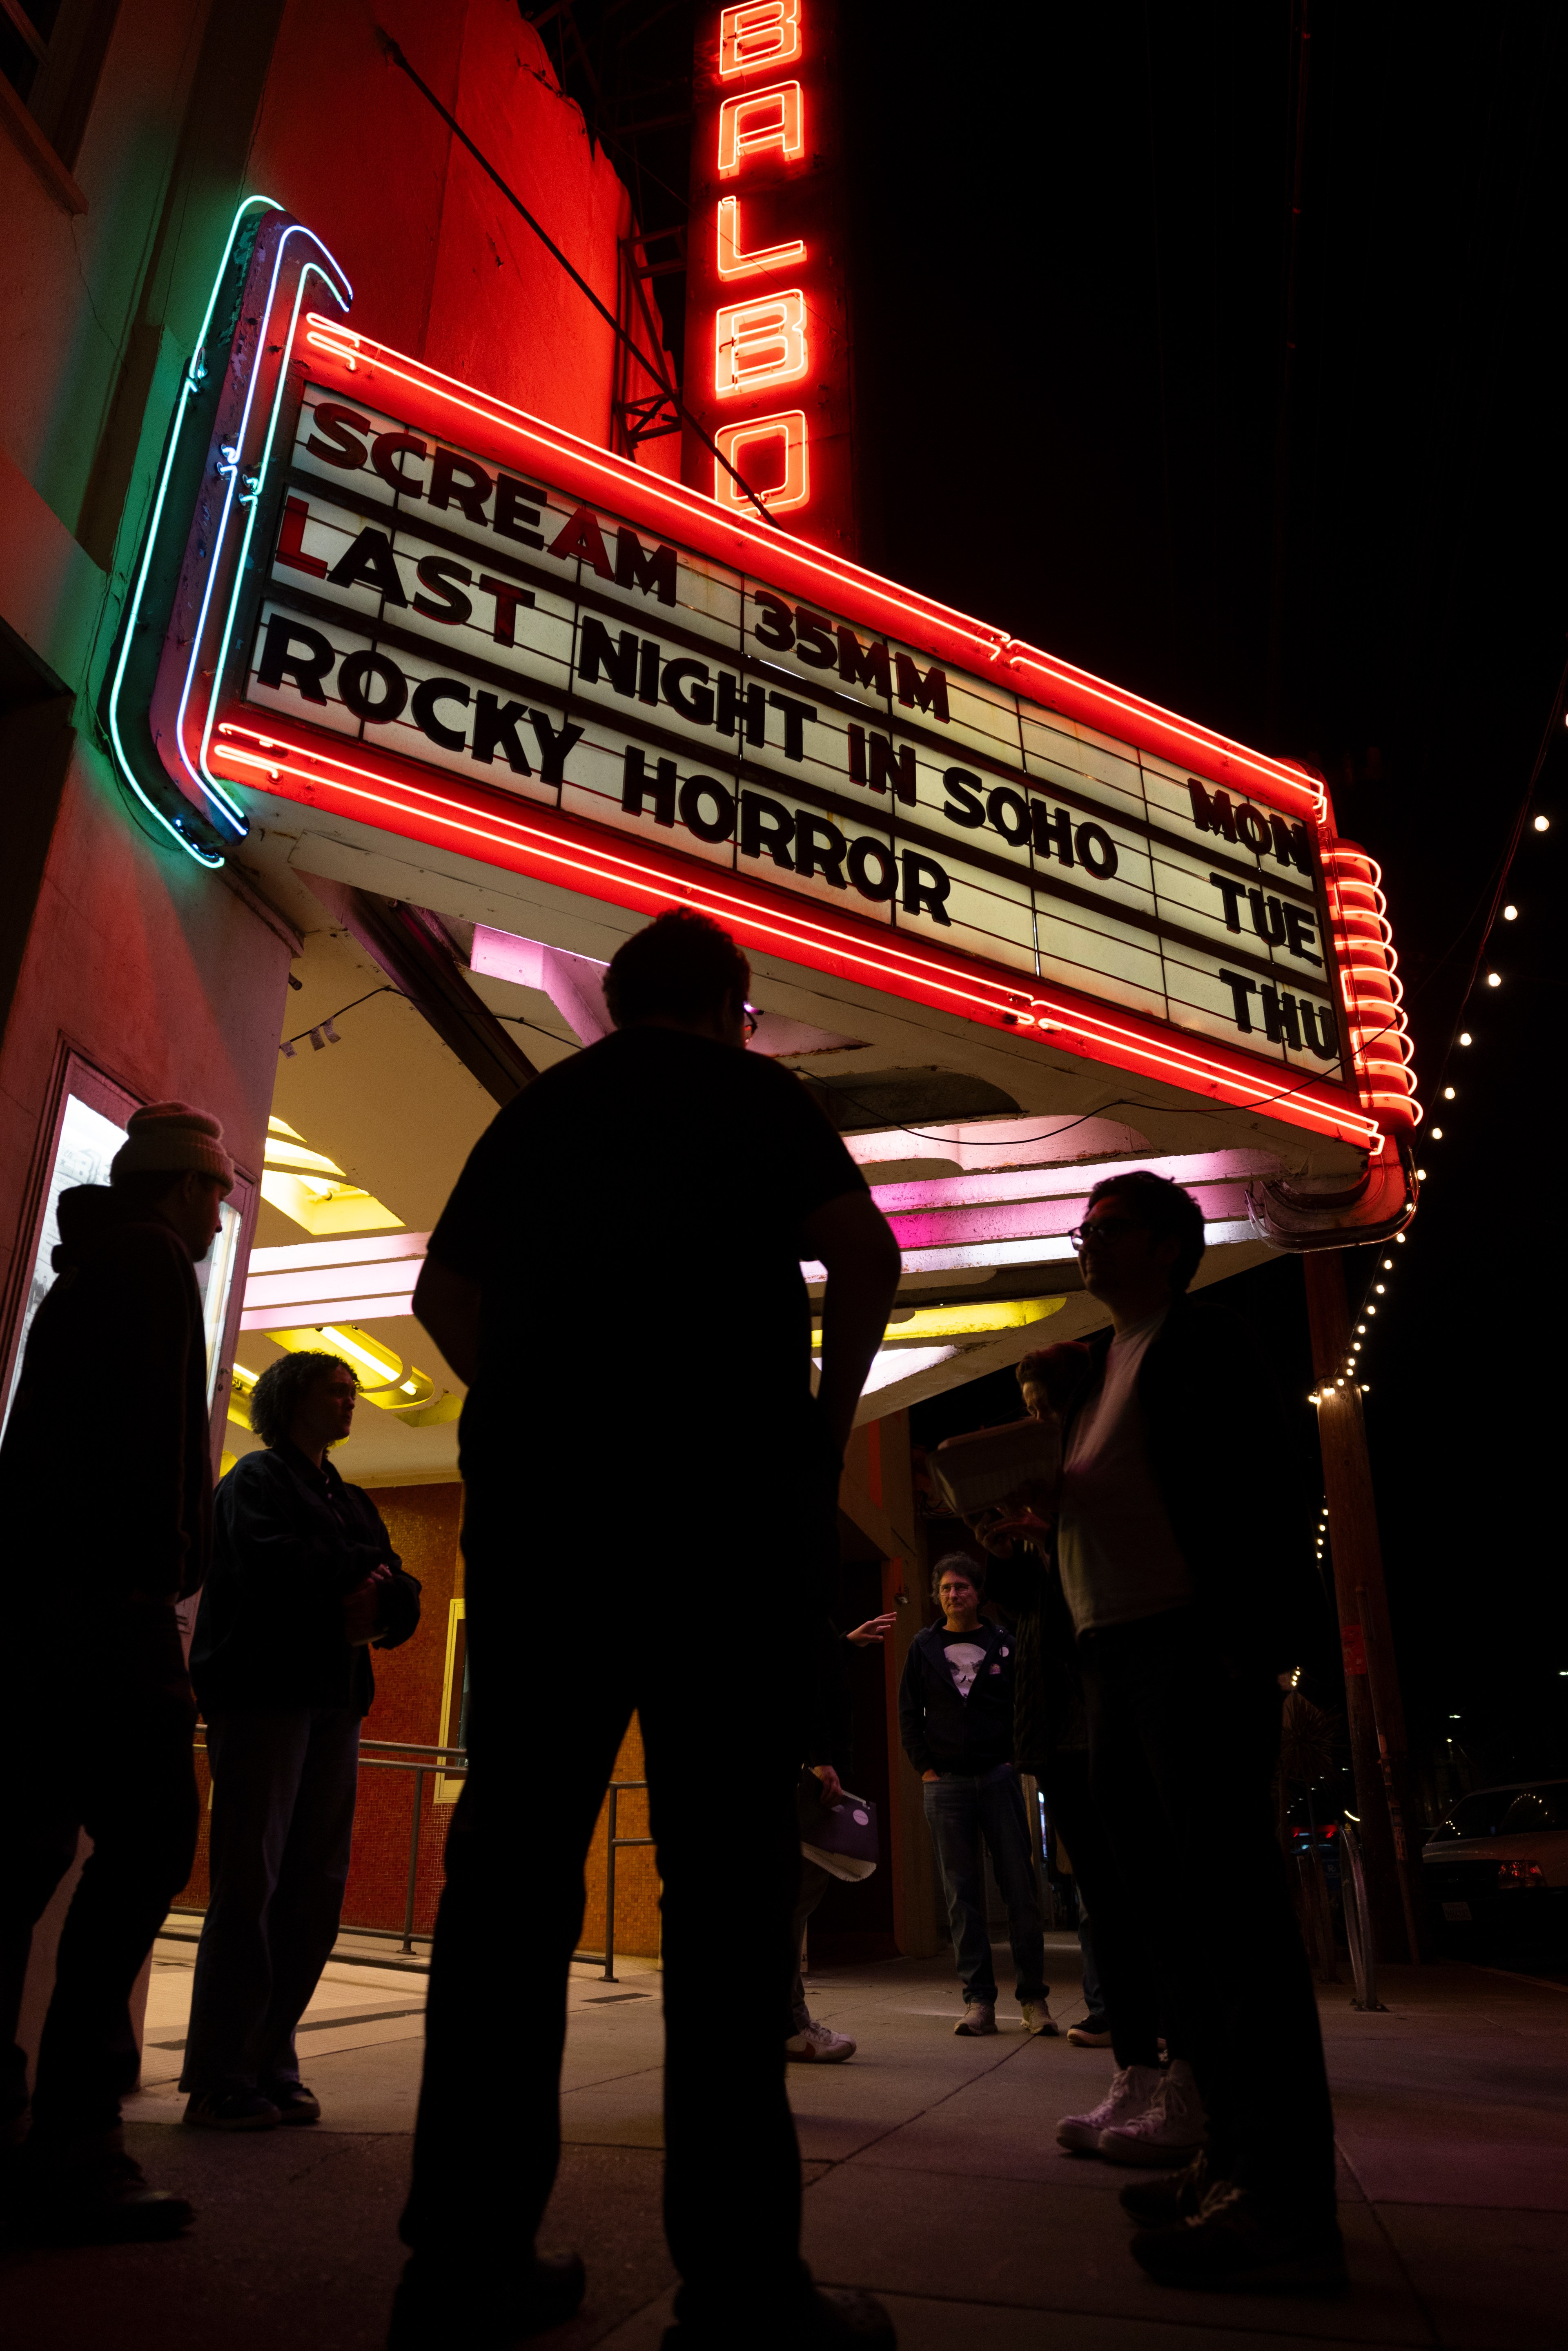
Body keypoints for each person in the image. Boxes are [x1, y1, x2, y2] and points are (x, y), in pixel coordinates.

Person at [393, 909, 904, 2351]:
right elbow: (864, 1261)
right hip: (719, 1530)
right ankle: (741, 2288)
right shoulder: (756, 1095)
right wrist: (820, 1428)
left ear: (615, 1002)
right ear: (734, 1005)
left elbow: (442, 1292)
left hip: (551, 1533)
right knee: (729, 1895)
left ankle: (462, 2265)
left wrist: (539, 1403)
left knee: (508, 1886)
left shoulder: (545, 1109)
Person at [1049, 1172, 1339, 2288]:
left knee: (1236, 1927)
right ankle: (1225, 2156)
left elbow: (1266, 1490)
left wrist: (1248, 1645)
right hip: (1114, 1661)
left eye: (1107, 1229)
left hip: (1189, 1656)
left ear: (1170, 1245)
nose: (1087, 1245)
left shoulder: (1203, 1341)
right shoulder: (1104, 1364)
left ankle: (1288, 2204)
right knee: (1169, 1923)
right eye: (1084, 1230)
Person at [0, 1102, 233, 2241]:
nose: (222, 1216)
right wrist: (167, 1574)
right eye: (218, 1194)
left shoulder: (87, 1272)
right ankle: (77, 2139)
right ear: (183, 1189)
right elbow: (153, 1455)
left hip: (38, 1610)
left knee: (25, 1856)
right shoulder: (151, 1266)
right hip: (111, 1611)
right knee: (151, 1841)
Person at [967, 1351, 1203, 2171]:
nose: (1036, 1420)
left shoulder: (1115, 1471)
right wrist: (1005, 1540)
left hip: (1118, 1706)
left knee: (1154, 1894)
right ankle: (1135, 2070)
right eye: (1025, 1407)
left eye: (1044, 1406)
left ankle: (1187, 2075)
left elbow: (1118, 1587)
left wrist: (1059, 1522)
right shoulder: (1055, 1502)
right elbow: (1040, 1607)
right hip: (1061, 1728)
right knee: (1106, 1898)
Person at [180, 1349, 420, 2128]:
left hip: (335, 1703)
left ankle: (272, 2056)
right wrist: (367, 1578)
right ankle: (222, 2073)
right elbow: (270, 1564)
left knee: (315, 1884)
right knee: (250, 1881)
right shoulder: (253, 1480)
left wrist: (378, 1594)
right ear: (289, 1399)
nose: (352, 1401)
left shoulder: (349, 1497)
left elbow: (403, 1586)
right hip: (264, 1697)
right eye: (337, 1389)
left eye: (355, 1391)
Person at [897, 1553, 1053, 2037]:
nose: (953, 1595)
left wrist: (1011, 1759)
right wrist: (926, 1768)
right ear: (936, 1595)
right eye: (945, 1588)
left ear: (978, 1594)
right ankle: (979, 2002)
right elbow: (908, 1713)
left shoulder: (1004, 1642)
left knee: (1020, 1890)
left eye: (961, 1587)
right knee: (961, 1896)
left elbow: (1025, 1703)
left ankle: (1033, 2000)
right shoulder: (923, 1647)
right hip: (946, 1786)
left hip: (999, 1778)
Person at [787, 1610, 897, 2065]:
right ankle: (791, 2025)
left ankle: (789, 2022)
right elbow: (803, 1681)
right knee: (794, 1900)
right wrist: (820, 1757)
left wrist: (844, 1646)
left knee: (796, 1901)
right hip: (807, 1772)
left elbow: (815, 1670)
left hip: (811, 1765)